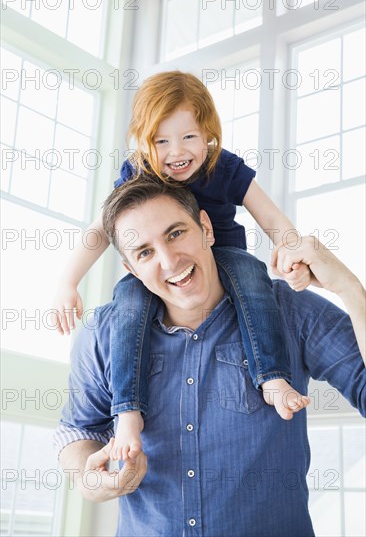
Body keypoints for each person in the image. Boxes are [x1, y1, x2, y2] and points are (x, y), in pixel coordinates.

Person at [55, 176, 365, 537]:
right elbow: (79, 428)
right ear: (132, 270)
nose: (169, 261)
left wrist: (350, 289)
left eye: (176, 234)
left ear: (206, 228)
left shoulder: (289, 311)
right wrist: (90, 480)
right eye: (144, 252)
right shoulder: (102, 333)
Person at [53, 71, 313, 463]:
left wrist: (292, 250)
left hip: (223, 254)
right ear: (144, 140)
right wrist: (68, 281)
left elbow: (270, 216)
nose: (176, 152)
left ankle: (272, 376)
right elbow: (99, 231)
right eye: (161, 140)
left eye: (189, 137)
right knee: (127, 302)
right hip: (163, 272)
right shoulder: (138, 173)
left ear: (207, 132)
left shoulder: (223, 167)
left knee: (253, 278)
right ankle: (127, 411)